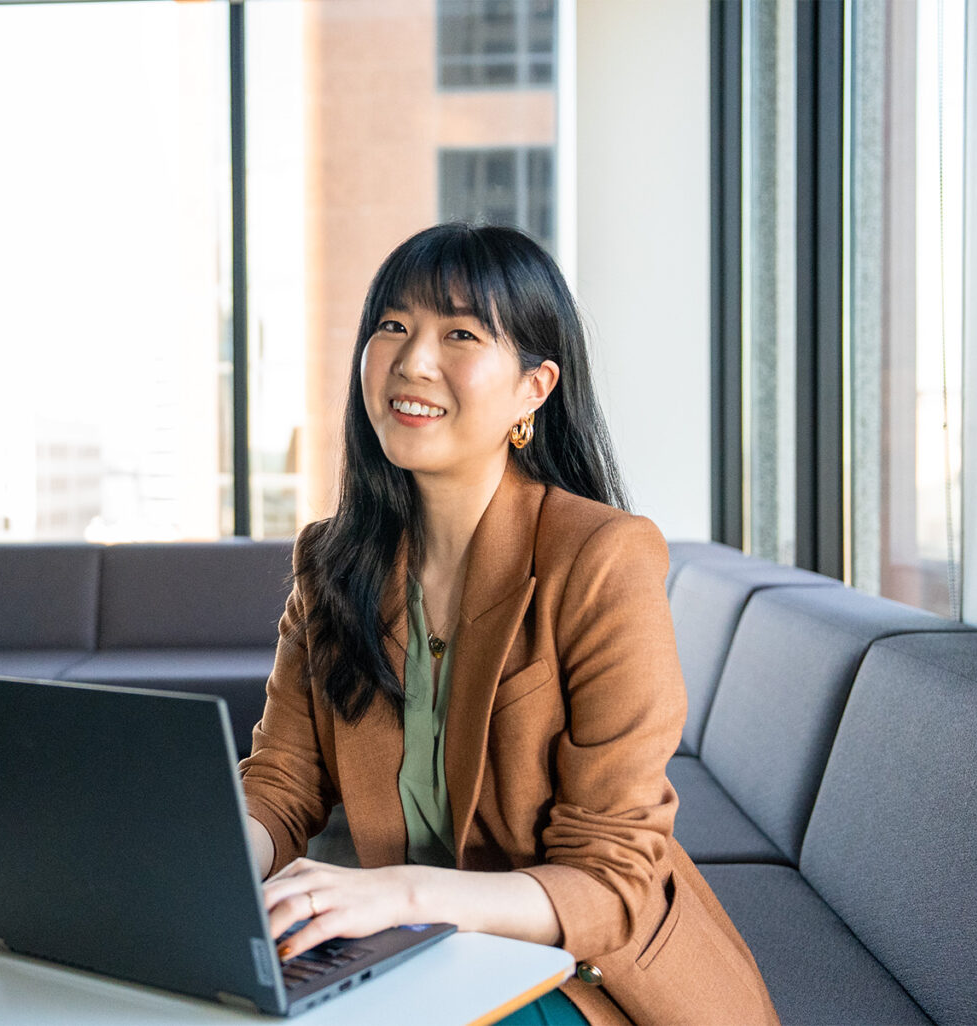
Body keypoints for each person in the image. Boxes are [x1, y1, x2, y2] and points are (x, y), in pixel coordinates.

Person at [239, 223, 778, 1025]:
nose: (412, 359)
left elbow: (612, 877)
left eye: (459, 332)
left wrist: (395, 896)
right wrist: (206, 871)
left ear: (535, 388)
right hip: (403, 954)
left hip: (572, 972)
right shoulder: (332, 561)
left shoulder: (604, 558)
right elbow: (282, 787)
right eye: (392, 325)